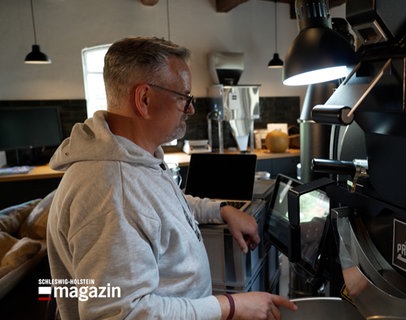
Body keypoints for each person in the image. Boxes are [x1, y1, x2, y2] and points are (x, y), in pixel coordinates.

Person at [46, 36, 297, 319]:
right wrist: (231, 306)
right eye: (184, 98)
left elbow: (163, 206)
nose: (190, 109)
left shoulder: (136, 159)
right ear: (144, 99)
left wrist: (220, 209)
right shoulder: (112, 190)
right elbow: (123, 314)